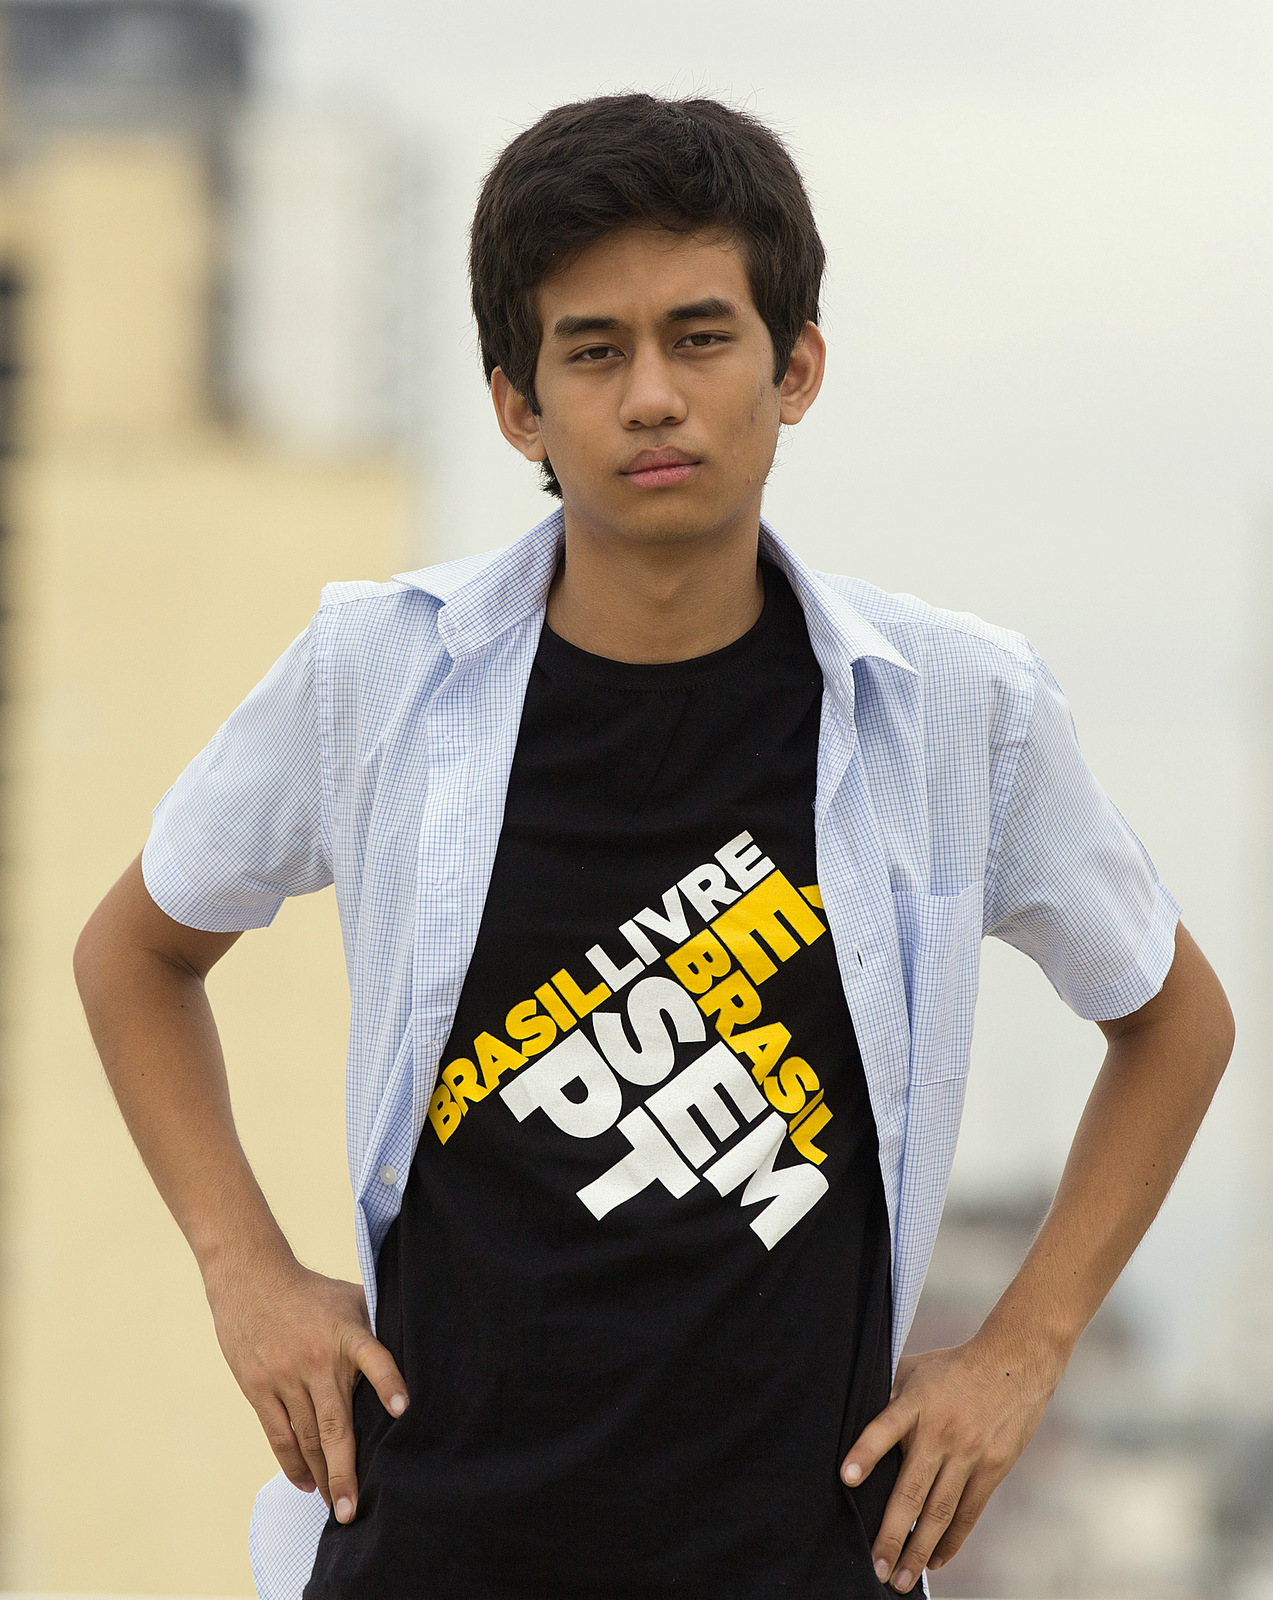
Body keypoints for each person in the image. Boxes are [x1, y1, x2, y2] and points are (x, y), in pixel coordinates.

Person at [74, 93, 1234, 1600]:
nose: (651, 398)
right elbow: (136, 951)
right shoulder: (380, 675)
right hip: (434, 1544)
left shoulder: (953, 711)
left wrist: (1021, 1352)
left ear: (794, 366)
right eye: (593, 350)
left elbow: (1173, 1020)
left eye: (700, 338)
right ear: (517, 403)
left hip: (798, 1555)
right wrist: (246, 1272)